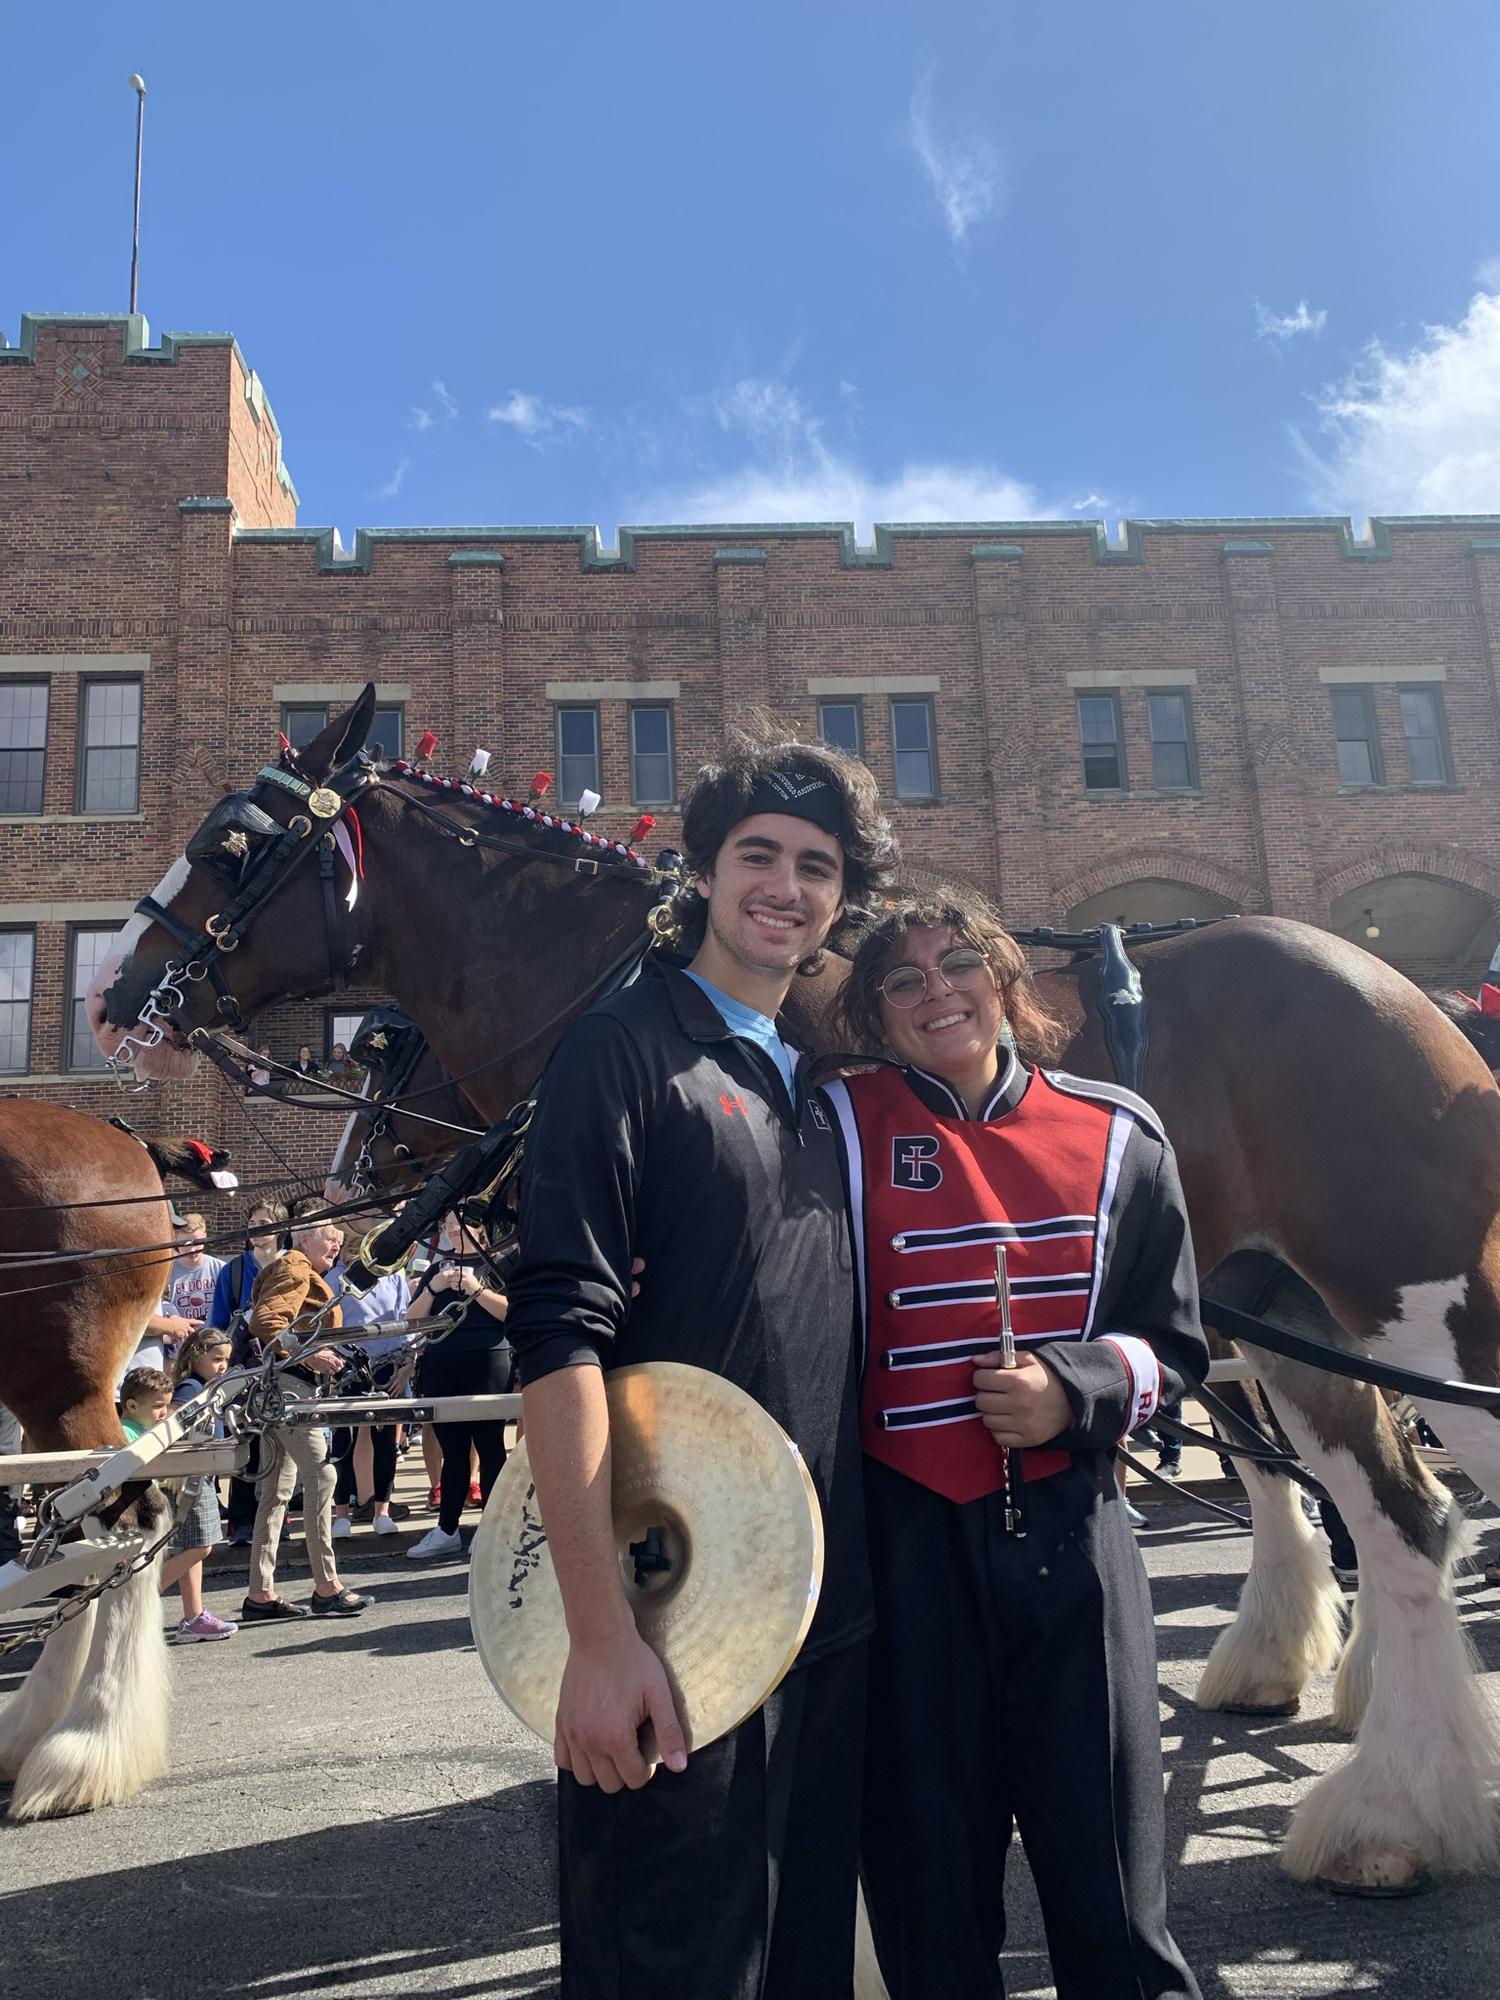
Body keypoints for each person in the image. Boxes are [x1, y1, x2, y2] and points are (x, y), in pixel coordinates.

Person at [505, 730, 896, 2000]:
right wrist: (598, 1633)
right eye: (759, 856)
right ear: (705, 870)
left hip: (820, 1615)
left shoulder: (822, 1079)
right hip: (671, 1619)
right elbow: (560, 1336)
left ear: (844, 899)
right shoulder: (619, 1048)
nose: (786, 886)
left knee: (799, 1968)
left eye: (818, 866)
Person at [824, 890, 1206, 2000]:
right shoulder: (834, 1130)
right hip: (903, 1558)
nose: (936, 989)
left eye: (958, 964)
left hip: (1075, 1546)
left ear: (1005, 979)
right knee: (928, 1900)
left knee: (1117, 1908)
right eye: (904, 979)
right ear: (876, 1012)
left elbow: (1172, 1342)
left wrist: (1075, 1387)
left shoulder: (1120, 1130)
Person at [241, 1209, 368, 1621]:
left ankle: (260, 1595)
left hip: (278, 1386)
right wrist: (309, 1355)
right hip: (291, 1387)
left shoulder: (292, 1268)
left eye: (337, 1237)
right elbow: (266, 1322)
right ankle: (327, 1586)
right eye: (329, 1235)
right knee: (322, 1475)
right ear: (305, 1240)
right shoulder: (295, 1266)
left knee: (278, 1489)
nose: (336, 1243)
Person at [406, 1214, 510, 1560]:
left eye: (459, 1224)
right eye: (446, 1225)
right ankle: (447, 1529)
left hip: (489, 1359)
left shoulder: (495, 1263)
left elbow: (512, 1312)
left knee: (490, 1444)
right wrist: (435, 1287)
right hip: (443, 1359)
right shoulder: (436, 1269)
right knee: (453, 1449)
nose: (452, 1230)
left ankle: (492, 1530)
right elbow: (413, 1318)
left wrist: (476, 1289)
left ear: (479, 1227)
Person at [213, 1200, 290, 1545]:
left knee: (281, 1445)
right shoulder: (233, 1271)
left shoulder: (291, 1267)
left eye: (266, 1222)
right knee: (248, 1443)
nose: (259, 1229)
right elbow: (216, 1323)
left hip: (284, 1364)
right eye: (254, 1222)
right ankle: (242, 1521)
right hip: (244, 1367)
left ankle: (276, 1519)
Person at [160, 1330, 238, 1643]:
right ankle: (142, 1595)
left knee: (194, 1550)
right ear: (195, 1357)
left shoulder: (203, 1385)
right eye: (216, 1359)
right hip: (189, 1475)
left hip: (198, 1473)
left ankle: (194, 1615)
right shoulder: (192, 1386)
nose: (222, 1365)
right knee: (200, 1546)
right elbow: (175, 1422)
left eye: (226, 1360)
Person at [332, 1258, 415, 1539]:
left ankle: (382, 1511)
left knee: (386, 1442)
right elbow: (329, 1321)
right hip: (348, 1366)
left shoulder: (394, 1276)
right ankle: (342, 1513)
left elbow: (404, 1316)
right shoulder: (337, 1276)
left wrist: (409, 1361)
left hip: (387, 1363)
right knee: (343, 1440)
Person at [164, 1214, 224, 1329]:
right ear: (175, 1239)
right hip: (180, 1341)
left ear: (205, 1237)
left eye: (197, 1242)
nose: (192, 1249)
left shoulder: (221, 1269)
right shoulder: (166, 1272)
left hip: (214, 1339)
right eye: (185, 1243)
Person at [119, 1366, 173, 1440]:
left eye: (166, 1406)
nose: (165, 1412)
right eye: (158, 1406)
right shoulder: (124, 1434)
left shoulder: (141, 1430)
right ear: (132, 1406)